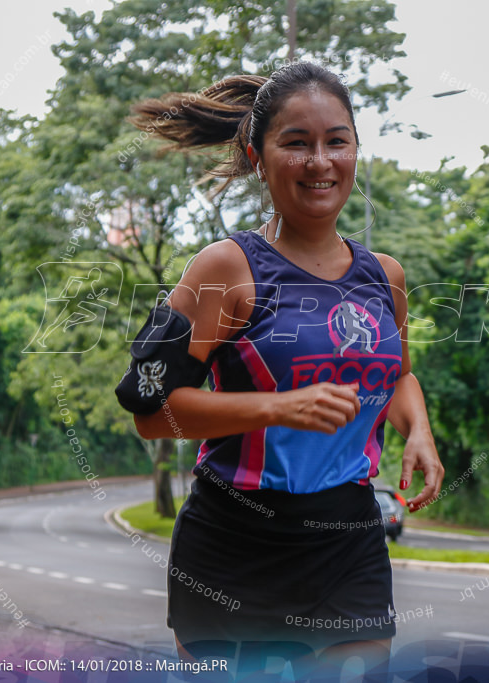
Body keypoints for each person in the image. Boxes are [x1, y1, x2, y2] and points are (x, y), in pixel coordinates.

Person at [128, 62, 444, 671]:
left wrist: (419, 432)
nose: (320, 162)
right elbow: (152, 410)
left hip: (347, 539)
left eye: (337, 141)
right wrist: (277, 407)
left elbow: (398, 373)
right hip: (233, 544)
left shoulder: (385, 276)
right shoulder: (223, 269)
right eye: (296, 143)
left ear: (356, 149)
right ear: (257, 154)